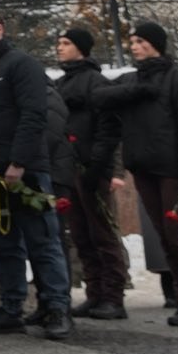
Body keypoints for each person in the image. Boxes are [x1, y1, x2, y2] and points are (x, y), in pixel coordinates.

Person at [91, 21, 178, 326]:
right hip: (145, 169)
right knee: (166, 238)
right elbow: (99, 98)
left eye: (139, 41)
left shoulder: (177, 80)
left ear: (155, 44)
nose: (133, 46)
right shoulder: (134, 80)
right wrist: (136, 90)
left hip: (172, 170)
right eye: (132, 41)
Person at [0, 11, 72, 339]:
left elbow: (34, 115)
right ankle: (11, 307)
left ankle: (56, 307)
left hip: (26, 170)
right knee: (3, 242)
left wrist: (19, 162)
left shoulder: (22, 64)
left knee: (42, 240)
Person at [56, 27, 129, 321]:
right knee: (82, 235)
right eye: (58, 43)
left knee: (103, 234)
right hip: (70, 167)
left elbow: (108, 128)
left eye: (66, 43)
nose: (59, 48)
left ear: (81, 48)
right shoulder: (62, 82)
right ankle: (94, 293)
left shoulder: (95, 81)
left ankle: (113, 296)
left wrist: (101, 166)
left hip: (92, 169)